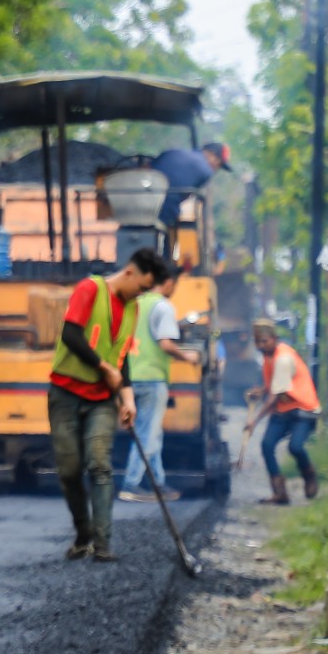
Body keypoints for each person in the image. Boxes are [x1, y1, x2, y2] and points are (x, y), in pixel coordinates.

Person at [49, 249, 167, 561]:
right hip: (65, 393)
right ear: (129, 272)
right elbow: (72, 334)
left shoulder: (133, 308)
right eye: (142, 287)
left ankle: (102, 544)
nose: (141, 294)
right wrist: (104, 367)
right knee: (70, 469)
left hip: (101, 400)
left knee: (100, 465)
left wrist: (127, 398)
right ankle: (82, 534)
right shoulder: (90, 289)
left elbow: (123, 354)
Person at [119, 271, 197, 504]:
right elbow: (165, 343)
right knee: (147, 433)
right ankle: (131, 484)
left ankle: (157, 482)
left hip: (131, 377)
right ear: (169, 282)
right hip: (153, 377)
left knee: (153, 432)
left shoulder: (133, 304)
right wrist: (187, 357)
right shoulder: (163, 307)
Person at [245, 319, 322, 504]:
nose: (261, 345)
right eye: (258, 342)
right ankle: (280, 493)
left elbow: (275, 397)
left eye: (264, 341)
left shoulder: (283, 358)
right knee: (267, 445)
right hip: (284, 409)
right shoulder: (267, 356)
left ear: (274, 339)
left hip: (303, 409)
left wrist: (254, 421)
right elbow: (276, 385)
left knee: (295, 447)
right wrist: (262, 390)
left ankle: (310, 476)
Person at [151, 142, 229, 228]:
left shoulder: (172, 152)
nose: (216, 169)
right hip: (165, 213)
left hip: (140, 202)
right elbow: (186, 197)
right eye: (219, 163)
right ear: (211, 155)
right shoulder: (206, 172)